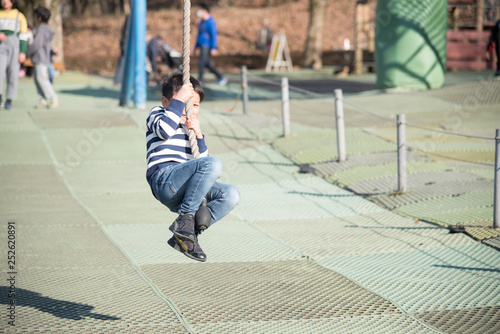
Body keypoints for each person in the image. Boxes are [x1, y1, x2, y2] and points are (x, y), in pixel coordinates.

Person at [146, 72, 240, 262]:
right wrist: (180, 99)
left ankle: (186, 236)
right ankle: (186, 219)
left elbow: (206, 171)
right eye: (183, 103)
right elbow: (164, 131)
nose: (189, 109)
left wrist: (198, 136)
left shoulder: (190, 129)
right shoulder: (158, 114)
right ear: (166, 102)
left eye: (195, 105)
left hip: (186, 192)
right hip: (165, 180)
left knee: (231, 194)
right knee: (214, 163)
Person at [26, 6, 58, 109]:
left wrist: (27, 53)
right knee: (37, 79)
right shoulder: (46, 30)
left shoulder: (41, 30)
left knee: (41, 79)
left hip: (40, 58)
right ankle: (42, 100)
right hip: (42, 58)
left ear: (39, 18)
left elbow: (36, 45)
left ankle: (53, 98)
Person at [0, 0, 28, 110]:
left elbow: (24, 35)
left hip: (14, 46)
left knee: (12, 74)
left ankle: (9, 100)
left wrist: (22, 52)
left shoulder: (19, 16)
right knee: (0, 72)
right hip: (1, 47)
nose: (5, 2)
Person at [194, 3, 227, 85]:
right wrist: (195, 47)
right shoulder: (201, 22)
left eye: (200, 10)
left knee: (202, 63)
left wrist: (214, 47)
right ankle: (220, 77)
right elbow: (199, 36)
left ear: (205, 11)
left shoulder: (211, 22)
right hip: (202, 45)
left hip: (207, 46)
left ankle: (200, 80)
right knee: (206, 64)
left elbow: (214, 35)